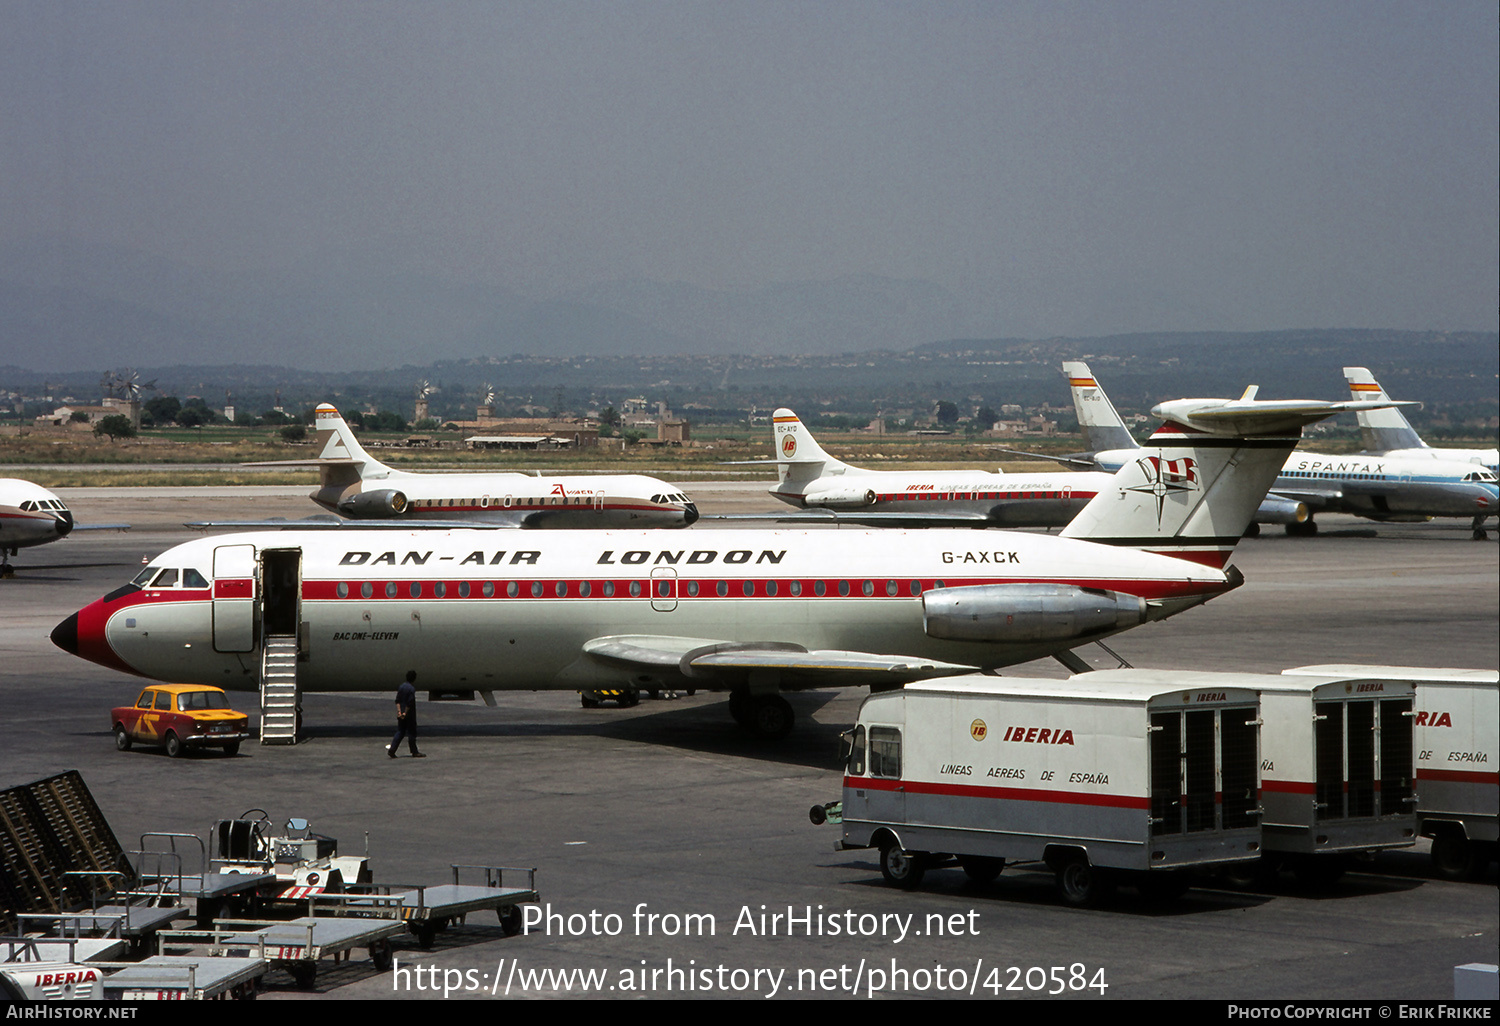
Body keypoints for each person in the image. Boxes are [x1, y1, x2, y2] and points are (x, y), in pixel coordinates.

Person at [389, 670, 425, 758]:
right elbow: (410, 703)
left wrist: (399, 712)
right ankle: (414, 751)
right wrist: (405, 713)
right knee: (412, 733)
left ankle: (392, 749)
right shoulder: (411, 689)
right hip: (409, 715)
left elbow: (397, 700)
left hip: (400, 712)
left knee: (400, 731)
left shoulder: (401, 687)